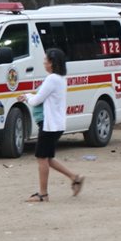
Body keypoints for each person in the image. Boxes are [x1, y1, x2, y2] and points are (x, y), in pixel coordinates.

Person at [16, 47, 85, 202]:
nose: (44, 63)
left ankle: (43, 194)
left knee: (41, 158)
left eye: (46, 60)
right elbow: (41, 97)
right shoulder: (59, 79)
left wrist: (26, 96)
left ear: (52, 63)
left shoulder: (52, 79)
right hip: (56, 124)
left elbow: (36, 100)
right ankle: (75, 177)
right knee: (47, 158)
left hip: (50, 125)